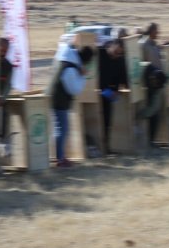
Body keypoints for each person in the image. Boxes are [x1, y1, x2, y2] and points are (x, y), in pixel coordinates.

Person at [50, 39, 93, 168]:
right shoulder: (71, 69)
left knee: (60, 128)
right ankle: (60, 158)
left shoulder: (67, 56)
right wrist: (83, 76)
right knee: (62, 129)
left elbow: (65, 43)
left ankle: (60, 156)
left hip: (55, 95)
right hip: (60, 99)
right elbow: (75, 89)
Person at [98, 37, 127, 153]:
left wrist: (118, 89)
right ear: (112, 46)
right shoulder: (100, 53)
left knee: (107, 121)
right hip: (97, 92)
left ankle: (106, 147)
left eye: (119, 53)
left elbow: (122, 76)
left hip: (110, 93)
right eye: (116, 52)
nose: (117, 55)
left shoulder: (120, 59)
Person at [139, 23, 164, 145]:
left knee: (157, 112)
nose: (158, 33)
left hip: (158, 82)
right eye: (156, 31)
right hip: (149, 82)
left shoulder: (154, 45)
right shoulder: (143, 44)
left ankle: (152, 139)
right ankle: (147, 138)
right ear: (151, 31)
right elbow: (140, 63)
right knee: (152, 110)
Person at [0, 37, 14, 140]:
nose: (4, 53)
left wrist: (3, 98)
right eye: (2, 50)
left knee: (2, 129)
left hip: (1, 103)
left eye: (6, 51)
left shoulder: (8, 65)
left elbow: (8, 84)